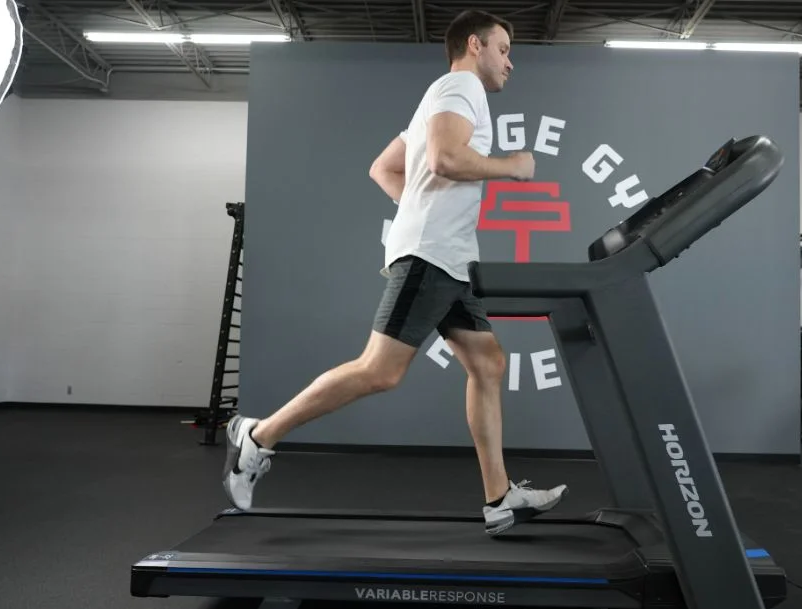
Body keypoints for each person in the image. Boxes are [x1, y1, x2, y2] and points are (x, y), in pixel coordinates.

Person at [222, 9, 568, 536]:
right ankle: (258, 436)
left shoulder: (440, 97)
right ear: (474, 45)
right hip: (432, 255)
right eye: (503, 49)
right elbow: (449, 160)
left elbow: (384, 167)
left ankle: (499, 498)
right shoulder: (461, 86)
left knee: (489, 362)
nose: (509, 63)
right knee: (380, 370)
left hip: (449, 256)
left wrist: (418, 211)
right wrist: (512, 167)